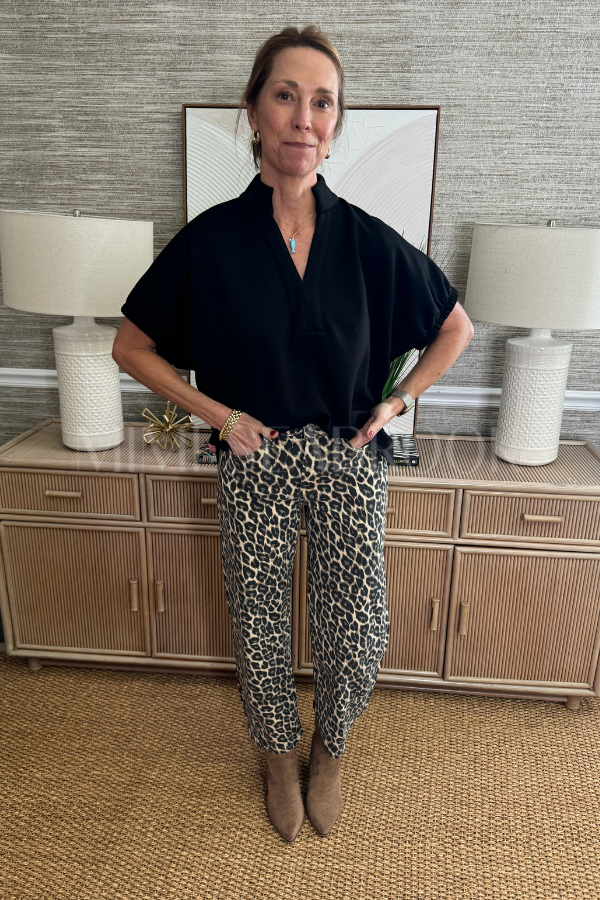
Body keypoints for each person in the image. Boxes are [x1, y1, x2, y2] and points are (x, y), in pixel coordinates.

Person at [113, 25, 474, 844]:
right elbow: (131, 348)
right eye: (286, 96)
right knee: (258, 620)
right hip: (255, 455)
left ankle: (330, 747)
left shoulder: (369, 243)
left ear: (335, 123)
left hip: (349, 454)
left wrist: (398, 403)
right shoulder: (211, 242)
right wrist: (220, 415)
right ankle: (277, 754)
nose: (304, 118)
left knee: (358, 624)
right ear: (254, 112)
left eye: (322, 102)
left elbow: (455, 328)